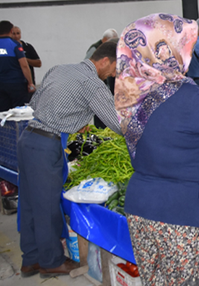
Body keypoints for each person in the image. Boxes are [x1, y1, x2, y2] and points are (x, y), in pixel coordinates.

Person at [115, 13, 199, 286]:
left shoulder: (129, 92)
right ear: (164, 50)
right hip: (183, 214)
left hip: (140, 208)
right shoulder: (187, 95)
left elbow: (164, 139)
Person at [17, 40, 121, 277]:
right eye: (115, 68)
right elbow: (117, 124)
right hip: (46, 146)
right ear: (104, 60)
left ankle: (30, 260)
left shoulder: (59, 69)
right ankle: (51, 261)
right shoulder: (93, 84)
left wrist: (74, 121)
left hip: (29, 138)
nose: (114, 74)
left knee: (31, 204)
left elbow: (36, 103)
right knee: (47, 207)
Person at [0, 20, 35, 112]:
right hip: (16, 84)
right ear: (11, 31)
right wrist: (30, 83)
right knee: (20, 112)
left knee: (3, 112)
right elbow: (24, 65)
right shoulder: (15, 45)